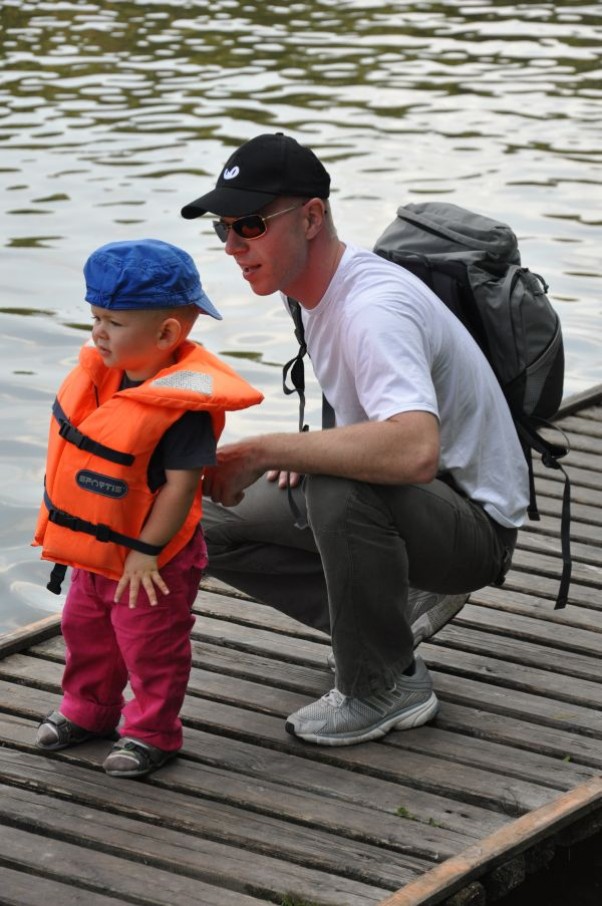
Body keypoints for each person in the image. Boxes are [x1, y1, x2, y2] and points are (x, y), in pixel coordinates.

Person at [180, 133, 530, 747]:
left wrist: (275, 450)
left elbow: (414, 449)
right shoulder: (315, 295)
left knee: (336, 480)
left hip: (473, 528)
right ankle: (390, 623)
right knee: (200, 512)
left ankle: (382, 683)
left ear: (311, 217)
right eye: (223, 229)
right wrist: (309, 449)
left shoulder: (373, 307)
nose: (233, 246)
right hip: (416, 505)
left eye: (251, 225)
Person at [32, 238, 263, 777]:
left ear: (166, 334)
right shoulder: (103, 382)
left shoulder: (182, 409)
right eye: (96, 318)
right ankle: (88, 711)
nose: (97, 333)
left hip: (153, 561)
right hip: (96, 552)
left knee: (150, 647)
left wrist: (144, 551)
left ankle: (151, 732)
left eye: (113, 322)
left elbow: (181, 489)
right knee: (86, 632)